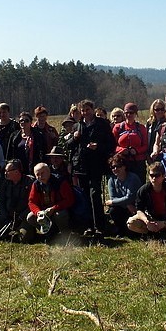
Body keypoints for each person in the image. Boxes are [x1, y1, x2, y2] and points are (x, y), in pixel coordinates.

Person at [67, 99, 115, 236]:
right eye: (82, 110)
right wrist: (74, 138)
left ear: (93, 110)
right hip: (81, 166)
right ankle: (88, 226)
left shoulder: (102, 124)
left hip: (96, 165)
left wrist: (98, 146)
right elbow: (69, 146)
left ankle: (99, 225)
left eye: (87, 110)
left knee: (95, 194)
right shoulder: (77, 126)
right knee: (85, 196)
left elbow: (111, 144)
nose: (85, 113)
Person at [127, 162, 166, 237]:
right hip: (152, 218)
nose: (154, 178)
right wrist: (147, 222)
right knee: (131, 222)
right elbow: (139, 209)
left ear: (163, 176)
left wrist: (164, 223)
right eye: (152, 175)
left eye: (157, 175)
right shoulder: (143, 190)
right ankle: (151, 234)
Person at [25, 162, 76, 240]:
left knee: (60, 215)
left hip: (60, 210)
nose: (40, 176)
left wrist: (54, 208)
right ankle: (50, 234)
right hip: (44, 211)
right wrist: (38, 212)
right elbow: (32, 202)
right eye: (37, 174)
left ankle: (66, 236)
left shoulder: (60, 181)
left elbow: (69, 200)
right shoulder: (36, 184)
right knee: (30, 217)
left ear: (48, 172)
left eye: (42, 173)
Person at [0, 160, 34, 242]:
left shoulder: (29, 182)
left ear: (16, 171)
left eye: (7, 171)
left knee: (24, 238)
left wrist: (21, 216)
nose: (5, 173)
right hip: (8, 217)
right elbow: (1, 201)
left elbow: (33, 203)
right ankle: (9, 233)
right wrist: (5, 216)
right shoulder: (5, 183)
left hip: (23, 217)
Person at [112, 102, 150, 183]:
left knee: (139, 184)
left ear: (135, 114)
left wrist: (136, 151)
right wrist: (121, 150)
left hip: (138, 163)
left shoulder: (141, 128)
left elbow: (145, 146)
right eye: (126, 113)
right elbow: (112, 145)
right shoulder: (118, 128)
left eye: (131, 113)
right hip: (122, 163)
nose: (129, 115)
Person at [106, 155, 141, 235]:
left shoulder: (133, 178)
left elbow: (130, 197)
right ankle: (120, 230)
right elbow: (113, 198)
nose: (115, 169)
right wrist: (127, 204)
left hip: (135, 208)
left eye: (118, 166)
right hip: (125, 206)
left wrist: (114, 202)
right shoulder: (111, 180)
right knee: (113, 210)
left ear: (124, 166)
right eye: (113, 167)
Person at [10, 112, 45, 176]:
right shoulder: (14, 136)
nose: (23, 122)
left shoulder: (38, 136)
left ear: (31, 122)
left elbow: (43, 152)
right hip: (19, 169)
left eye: (26, 120)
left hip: (34, 168)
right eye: (21, 120)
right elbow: (9, 154)